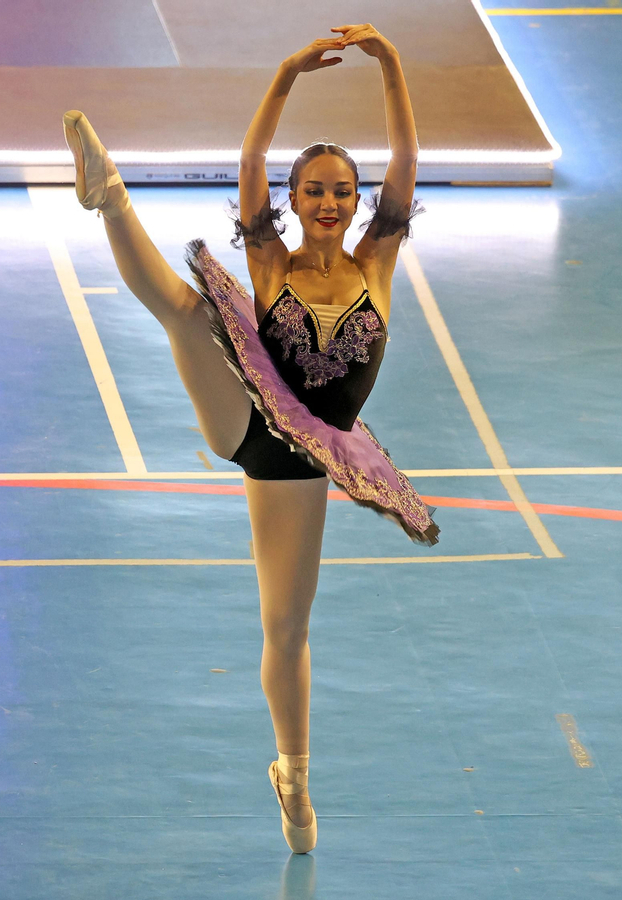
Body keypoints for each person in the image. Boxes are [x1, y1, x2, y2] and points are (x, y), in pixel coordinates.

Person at [61, 23, 435, 854]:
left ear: (359, 200)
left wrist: (393, 65)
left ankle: (293, 776)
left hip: (309, 457)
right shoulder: (271, 261)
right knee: (185, 313)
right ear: (294, 203)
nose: (330, 202)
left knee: (285, 627)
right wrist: (285, 74)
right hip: (252, 422)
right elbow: (251, 160)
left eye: (343, 190)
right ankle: (109, 194)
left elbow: (407, 164)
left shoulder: (379, 258)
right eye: (315, 191)